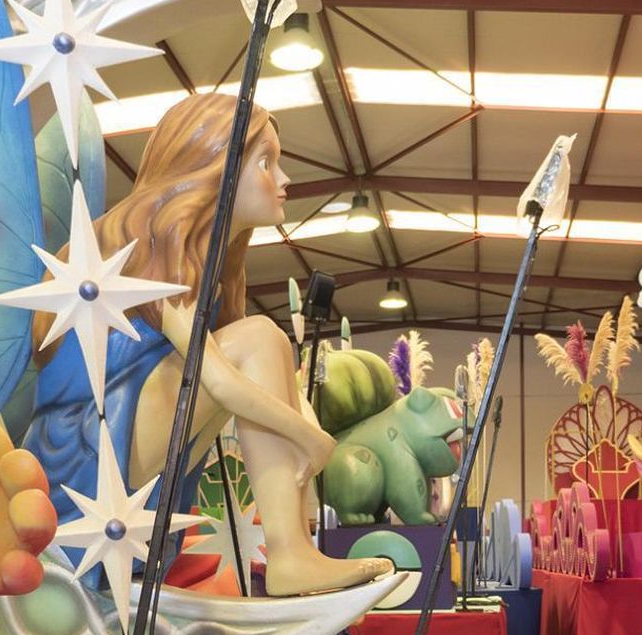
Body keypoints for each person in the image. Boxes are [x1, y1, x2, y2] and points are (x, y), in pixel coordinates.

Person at [26, 93, 390, 596]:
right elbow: (217, 378)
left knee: (269, 344)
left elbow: (260, 374)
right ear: (214, 166)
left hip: (125, 438)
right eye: (266, 162)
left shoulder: (214, 269)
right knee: (261, 339)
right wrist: (309, 438)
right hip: (87, 452)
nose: (283, 181)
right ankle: (287, 555)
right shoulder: (159, 244)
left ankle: (297, 552)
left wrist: (308, 426)